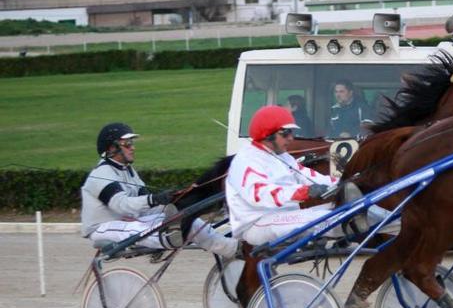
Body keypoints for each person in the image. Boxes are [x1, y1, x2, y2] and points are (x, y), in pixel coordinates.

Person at [81, 122, 239, 259]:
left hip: (128, 221)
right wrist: (153, 199)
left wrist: (172, 201)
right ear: (111, 148)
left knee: (190, 220)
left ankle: (232, 249)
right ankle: (166, 240)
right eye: (127, 144)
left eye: (132, 143)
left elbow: (145, 203)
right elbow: (122, 205)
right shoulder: (101, 174)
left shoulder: (128, 171)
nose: (133, 148)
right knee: (146, 230)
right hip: (102, 228)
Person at [225, 105, 341, 246]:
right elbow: (258, 194)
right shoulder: (246, 159)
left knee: (348, 208)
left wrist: (344, 182)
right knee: (332, 218)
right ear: (268, 134)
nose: (291, 138)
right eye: (285, 133)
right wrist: (304, 192)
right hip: (257, 224)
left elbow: (308, 175)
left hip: (284, 218)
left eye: (291, 132)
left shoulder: (283, 156)